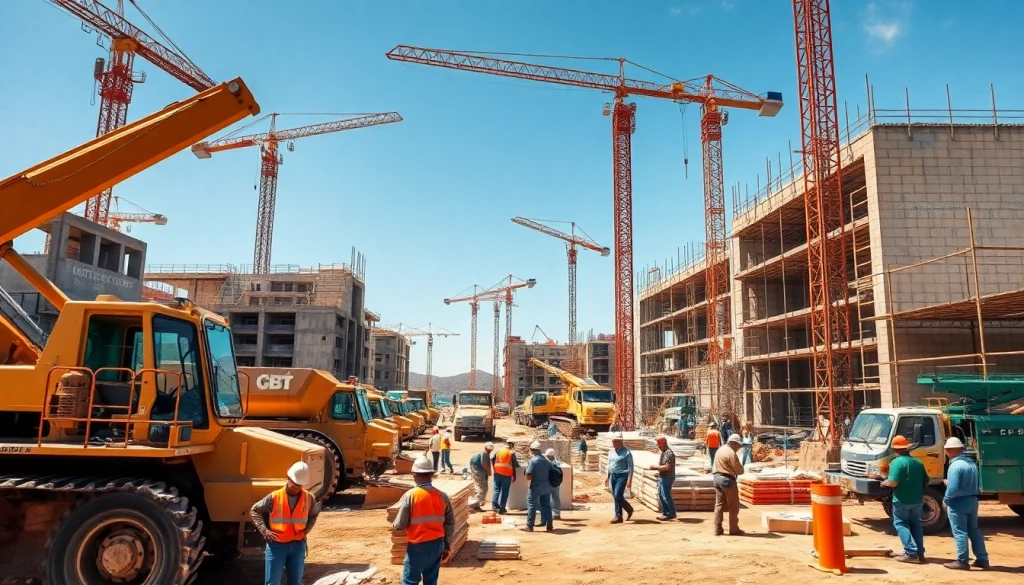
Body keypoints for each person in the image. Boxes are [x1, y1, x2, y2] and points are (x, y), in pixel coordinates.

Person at [250, 461, 321, 585]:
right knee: (273, 583)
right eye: (294, 484)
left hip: (298, 546)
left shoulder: (309, 498)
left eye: (300, 485)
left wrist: (307, 529)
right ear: (288, 479)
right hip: (276, 546)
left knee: (296, 583)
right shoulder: (274, 497)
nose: (297, 488)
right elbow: (255, 510)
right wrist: (264, 530)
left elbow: (313, 514)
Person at [392, 457, 456, 585]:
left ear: (414, 475)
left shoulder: (411, 495)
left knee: (410, 582)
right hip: (437, 545)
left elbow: (399, 525)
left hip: (418, 547)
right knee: (431, 581)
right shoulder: (442, 496)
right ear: (431, 475)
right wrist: (447, 546)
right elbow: (450, 523)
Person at [942, 437, 989, 570]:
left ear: (949, 450)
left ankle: (962, 561)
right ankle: (982, 559)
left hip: (958, 502)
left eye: (946, 449)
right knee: (974, 530)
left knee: (960, 532)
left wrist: (946, 500)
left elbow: (954, 488)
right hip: (972, 500)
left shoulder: (955, 466)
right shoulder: (971, 464)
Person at [880, 435, 929, 563]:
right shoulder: (918, 462)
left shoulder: (896, 462)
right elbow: (926, 481)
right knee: (916, 525)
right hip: (917, 500)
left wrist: (884, 482)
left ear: (895, 450)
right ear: (907, 448)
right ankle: (920, 553)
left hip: (902, 500)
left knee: (900, 524)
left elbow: (893, 483)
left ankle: (911, 553)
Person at [712, 434, 746, 536]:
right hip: (727, 480)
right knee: (733, 506)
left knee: (719, 505)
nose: (738, 448)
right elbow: (739, 470)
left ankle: (717, 529)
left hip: (717, 478)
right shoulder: (731, 453)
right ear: (734, 444)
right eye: (738, 446)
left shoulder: (720, 450)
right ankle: (734, 529)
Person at [524, 441, 553, 531]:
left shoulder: (533, 461)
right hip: (546, 486)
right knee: (546, 505)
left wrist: (529, 480)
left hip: (535, 486)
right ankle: (549, 525)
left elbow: (528, 475)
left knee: (532, 505)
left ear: (532, 450)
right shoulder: (546, 461)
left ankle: (529, 526)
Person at [605, 433, 634, 523]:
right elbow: (610, 465)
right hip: (613, 475)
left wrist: (629, 479)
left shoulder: (627, 452)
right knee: (615, 496)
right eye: (613, 441)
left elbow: (631, 467)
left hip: (622, 476)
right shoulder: (611, 452)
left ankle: (629, 509)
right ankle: (618, 516)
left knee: (618, 495)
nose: (613, 443)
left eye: (615, 441)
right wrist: (607, 476)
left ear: (620, 442)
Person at [648, 435, 677, 521]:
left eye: (659, 445)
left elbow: (668, 467)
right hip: (663, 477)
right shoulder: (664, 453)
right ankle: (666, 512)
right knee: (662, 495)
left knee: (666, 495)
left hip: (668, 477)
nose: (658, 447)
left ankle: (670, 513)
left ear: (664, 443)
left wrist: (656, 467)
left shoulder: (669, 453)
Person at [491, 440, 519, 514]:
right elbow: (515, 465)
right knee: (505, 491)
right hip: (506, 474)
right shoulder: (511, 453)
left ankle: (494, 505)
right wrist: (514, 475)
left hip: (497, 472)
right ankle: (502, 507)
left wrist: (495, 469)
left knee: (496, 489)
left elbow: (493, 460)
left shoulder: (499, 451)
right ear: (512, 445)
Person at [469, 442, 494, 511]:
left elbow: (471, 462)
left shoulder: (479, 454)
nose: (490, 451)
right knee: (483, 489)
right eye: (489, 449)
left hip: (476, 472)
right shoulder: (484, 454)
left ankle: (476, 505)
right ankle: (472, 505)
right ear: (485, 448)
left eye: (491, 450)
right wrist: (489, 473)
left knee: (479, 488)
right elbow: (485, 466)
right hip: (479, 473)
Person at [544, 448, 564, 520]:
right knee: (556, 498)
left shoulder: (547, 463)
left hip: (548, 483)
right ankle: (557, 513)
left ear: (550, 456)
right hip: (556, 484)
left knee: (547, 498)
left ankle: (549, 513)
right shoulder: (558, 463)